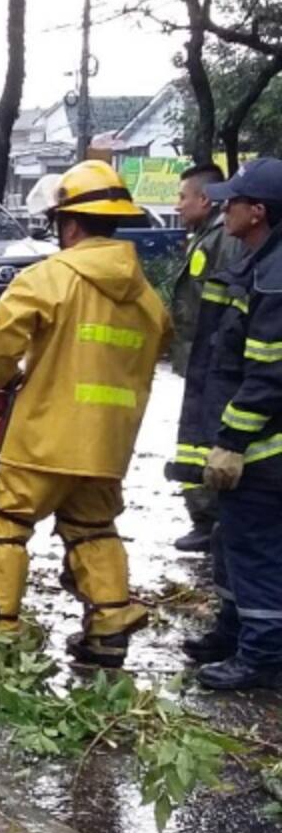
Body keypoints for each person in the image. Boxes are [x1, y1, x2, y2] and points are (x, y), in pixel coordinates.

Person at [0, 160, 172, 668]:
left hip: (43, 438)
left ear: (69, 223)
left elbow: (1, 340)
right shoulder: (149, 299)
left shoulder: (47, 277)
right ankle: (109, 627)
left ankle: (1, 631)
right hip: (107, 449)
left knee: (7, 524)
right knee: (93, 529)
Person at [169, 157, 282, 690]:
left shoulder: (277, 278)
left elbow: (268, 374)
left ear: (256, 212)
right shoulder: (260, 263)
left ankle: (261, 654)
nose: (224, 206)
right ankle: (233, 633)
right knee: (230, 542)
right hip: (249, 446)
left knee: (256, 549)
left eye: (234, 200)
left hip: (265, 451)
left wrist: (233, 440)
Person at [170, 163, 244, 553]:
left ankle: (209, 519)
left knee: (203, 436)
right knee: (195, 439)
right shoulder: (209, 235)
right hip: (202, 359)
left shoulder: (222, 239)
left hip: (213, 360)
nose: (177, 205)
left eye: (183, 196)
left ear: (204, 198)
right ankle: (205, 517)